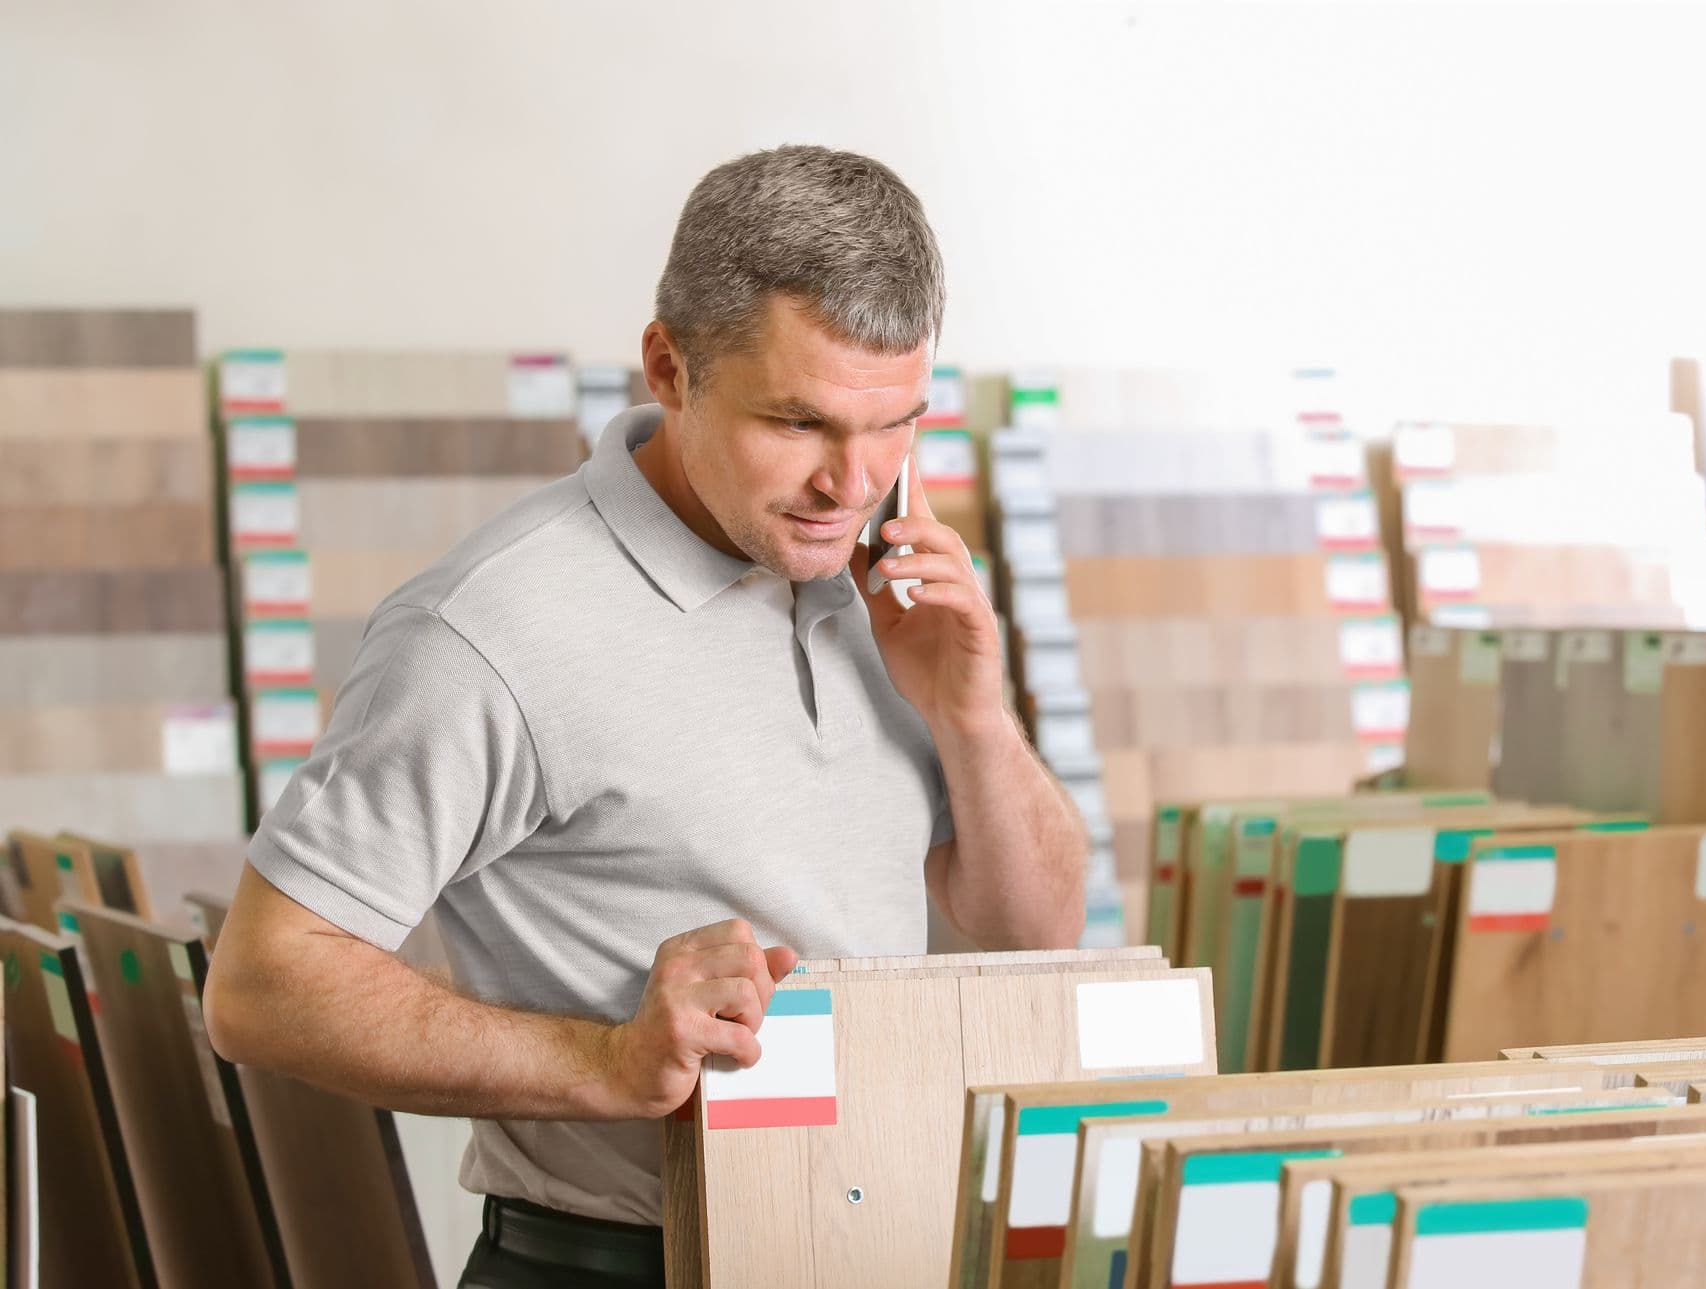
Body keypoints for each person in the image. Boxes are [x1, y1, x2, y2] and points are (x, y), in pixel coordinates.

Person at [203, 144, 1089, 1288]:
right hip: (615, 1265)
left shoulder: (894, 592)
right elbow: (264, 982)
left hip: (881, 1251)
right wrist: (606, 1059)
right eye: (801, 422)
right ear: (670, 368)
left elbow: (1035, 936)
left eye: (894, 424)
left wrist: (974, 715)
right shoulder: (488, 632)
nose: (853, 481)